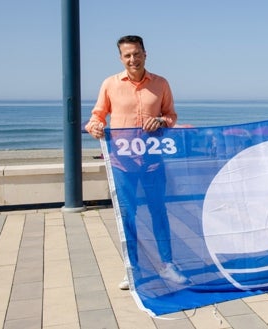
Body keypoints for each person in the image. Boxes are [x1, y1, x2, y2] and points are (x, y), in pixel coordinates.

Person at [85, 35, 186, 290]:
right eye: (127, 55)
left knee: (158, 213)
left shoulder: (161, 84)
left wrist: (161, 121)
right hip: (122, 164)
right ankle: (133, 269)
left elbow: (171, 116)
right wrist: (95, 127)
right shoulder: (109, 84)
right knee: (127, 215)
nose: (133, 59)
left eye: (137, 53)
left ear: (145, 54)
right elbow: (96, 117)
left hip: (153, 161)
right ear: (121, 58)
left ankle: (167, 265)